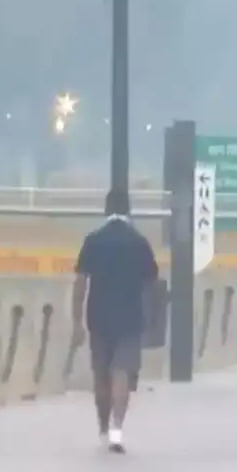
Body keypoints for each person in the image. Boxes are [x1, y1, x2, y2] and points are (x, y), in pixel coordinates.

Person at [72, 189, 159, 453]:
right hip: (130, 318)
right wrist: (151, 320)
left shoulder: (93, 241)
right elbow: (151, 284)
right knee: (121, 372)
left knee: (101, 375)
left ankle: (102, 429)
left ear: (106, 209)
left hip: (98, 317)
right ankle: (116, 431)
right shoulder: (139, 242)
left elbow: (80, 282)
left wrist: (76, 320)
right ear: (129, 210)